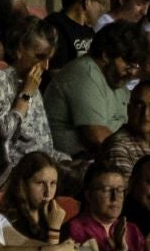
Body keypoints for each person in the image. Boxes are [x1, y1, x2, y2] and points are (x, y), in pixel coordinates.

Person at [0, 18, 64, 176]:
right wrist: (25, 95)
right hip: (14, 171)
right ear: (19, 50)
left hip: (43, 167)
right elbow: (4, 131)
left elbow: (44, 143)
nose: (46, 66)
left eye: (49, 59)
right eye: (40, 57)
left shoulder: (33, 85)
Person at [44, 22, 142, 157]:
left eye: (136, 66)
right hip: (71, 162)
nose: (133, 73)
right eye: (128, 64)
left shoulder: (116, 79)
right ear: (106, 55)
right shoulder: (85, 73)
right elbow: (98, 137)